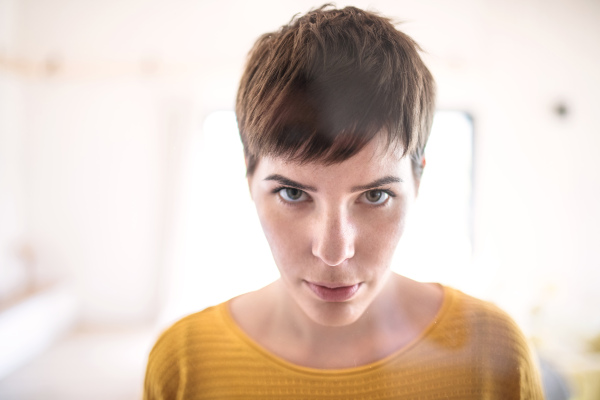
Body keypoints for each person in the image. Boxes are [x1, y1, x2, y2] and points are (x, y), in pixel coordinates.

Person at [144, 5, 544, 399]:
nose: (334, 252)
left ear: (418, 180)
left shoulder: (494, 354)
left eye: (375, 195)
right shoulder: (184, 363)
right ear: (250, 177)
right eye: (293, 193)